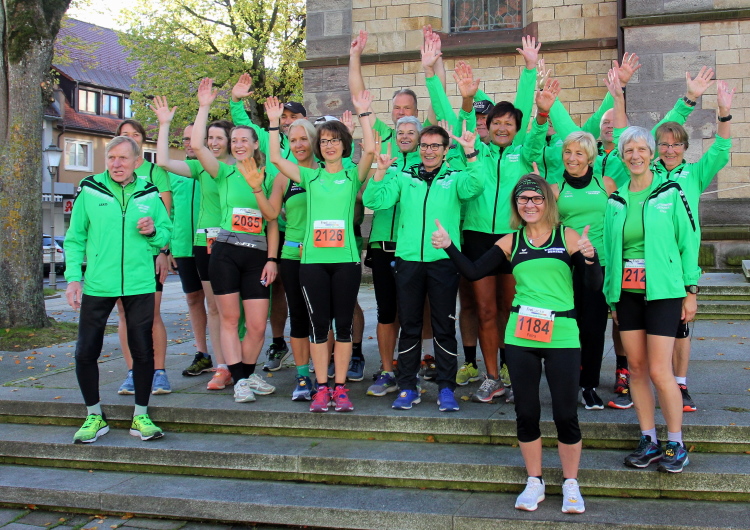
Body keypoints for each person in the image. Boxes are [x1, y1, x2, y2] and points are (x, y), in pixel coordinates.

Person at [432, 173, 600, 513]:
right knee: (526, 411)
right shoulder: (511, 241)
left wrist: (590, 257)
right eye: (523, 199)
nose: (530, 204)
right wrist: (449, 245)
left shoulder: (567, 236)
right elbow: (474, 272)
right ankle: (534, 481)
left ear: (547, 202)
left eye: (536, 198)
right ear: (516, 204)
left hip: (562, 334)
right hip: (522, 333)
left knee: (565, 413)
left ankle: (571, 483)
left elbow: (593, 286)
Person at [603, 69, 699, 473]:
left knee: (660, 370)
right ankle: (648, 438)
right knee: (637, 369)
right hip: (627, 293)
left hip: (664, 291)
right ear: (622, 157)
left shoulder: (670, 192)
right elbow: (612, 252)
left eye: (642, 149)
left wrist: (691, 289)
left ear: (651, 153)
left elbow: (688, 241)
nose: (636, 155)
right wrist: (611, 298)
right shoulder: (615, 201)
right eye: (629, 150)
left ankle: (676, 442)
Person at [267, 91, 376, 413]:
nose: (329, 145)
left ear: (344, 145)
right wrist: (273, 124)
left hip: (345, 263)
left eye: (334, 140)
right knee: (317, 326)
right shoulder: (310, 176)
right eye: (324, 141)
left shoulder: (352, 175)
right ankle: (321, 387)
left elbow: (371, 149)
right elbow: (276, 159)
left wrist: (364, 114)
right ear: (319, 147)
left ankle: (340, 388)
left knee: (342, 327)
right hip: (312, 263)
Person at [364, 123, 485, 412]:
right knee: (409, 326)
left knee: (444, 327)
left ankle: (446, 387)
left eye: (435, 146)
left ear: (445, 150)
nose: (428, 151)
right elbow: (373, 200)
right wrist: (380, 171)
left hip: (443, 262)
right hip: (408, 261)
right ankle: (408, 386)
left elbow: (476, 186)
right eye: (425, 146)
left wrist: (471, 153)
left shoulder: (455, 177)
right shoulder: (404, 176)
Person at [64, 135, 173, 443]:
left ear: (137, 161)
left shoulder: (149, 192)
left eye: (123, 158)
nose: (116, 164)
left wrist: (153, 231)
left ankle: (141, 415)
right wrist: (73, 278)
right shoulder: (90, 188)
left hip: (139, 283)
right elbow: (75, 238)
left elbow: (166, 233)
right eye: (111, 158)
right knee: (86, 350)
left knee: (143, 350)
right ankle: (93, 415)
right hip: (99, 284)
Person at [452, 38, 541, 403]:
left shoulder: (523, 151)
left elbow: (526, 109)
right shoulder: (476, 152)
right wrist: (466, 99)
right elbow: (460, 126)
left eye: (509, 123)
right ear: (487, 125)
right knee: (486, 310)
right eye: (497, 122)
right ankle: (491, 377)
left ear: (517, 128)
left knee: (511, 309)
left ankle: (513, 370)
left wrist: (530, 69)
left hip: (513, 238)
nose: (502, 127)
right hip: (476, 237)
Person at [191, 78, 279, 403]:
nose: (238, 144)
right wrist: (204, 107)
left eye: (244, 140)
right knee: (230, 319)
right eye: (234, 140)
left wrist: (272, 259)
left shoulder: (269, 175)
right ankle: (240, 379)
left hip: (257, 256)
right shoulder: (223, 172)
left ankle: (247, 373)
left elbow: (272, 219)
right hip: (225, 252)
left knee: (256, 325)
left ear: (256, 144)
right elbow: (198, 147)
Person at [652, 76, 734, 412]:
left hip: (680, 266)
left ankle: (680, 384)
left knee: (681, 327)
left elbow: (721, 149)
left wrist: (724, 113)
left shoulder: (695, 174)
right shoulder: (646, 172)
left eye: (676, 145)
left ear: (685, 148)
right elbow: (650, 135)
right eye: (664, 145)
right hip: (648, 263)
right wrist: (687, 99)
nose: (670, 150)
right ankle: (644, 380)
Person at [151, 97, 234, 391]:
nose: (212, 142)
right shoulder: (198, 168)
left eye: (218, 138)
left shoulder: (242, 167)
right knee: (212, 307)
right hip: (203, 244)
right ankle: (222, 366)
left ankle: (241, 365)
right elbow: (163, 161)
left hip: (237, 243)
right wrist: (164, 124)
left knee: (233, 310)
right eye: (209, 138)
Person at [230, 74, 303, 371]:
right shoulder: (269, 137)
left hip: (301, 229)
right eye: (283, 116)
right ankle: (277, 342)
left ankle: (315, 343)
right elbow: (242, 124)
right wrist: (236, 99)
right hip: (269, 226)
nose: (287, 121)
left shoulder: (309, 146)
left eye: (293, 117)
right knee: (275, 287)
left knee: (305, 288)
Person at [114, 119, 173, 396]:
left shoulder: (155, 172)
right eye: (124, 134)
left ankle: (159, 371)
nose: (130, 138)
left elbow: (165, 217)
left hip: (150, 253)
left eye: (135, 134)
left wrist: (164, 252)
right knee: (124, 314)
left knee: (151, 314)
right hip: (119, 258)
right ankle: (132, 372)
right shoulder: (109, 174)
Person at [365, 115, 422, 397]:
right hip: (382, 245)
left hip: (411, 248)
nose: (405, 136)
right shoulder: (386, 161)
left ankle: (410, 372)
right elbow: (371, 200)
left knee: (410, 313)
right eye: (401, 132)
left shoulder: (426, 165)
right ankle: (387, 371)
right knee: (386, 311)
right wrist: (380, 171)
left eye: (411, 132)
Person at [264, 117, 318, 400]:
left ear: (314, 140)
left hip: (323, 255)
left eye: (303, 138)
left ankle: (325, 375)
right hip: (293, 256)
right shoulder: (283, 177)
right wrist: (255, 188)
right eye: (293, 140)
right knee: (298, 316)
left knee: (323, 317)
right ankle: (302, 376)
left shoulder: (327, 171)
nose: (298, 145)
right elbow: (272, 216)